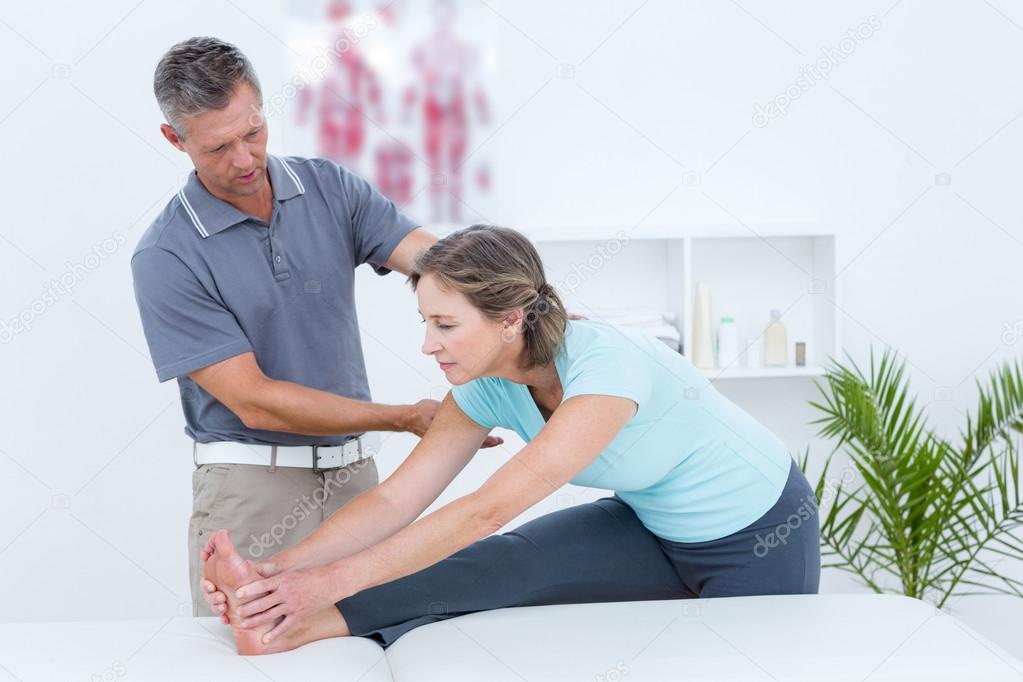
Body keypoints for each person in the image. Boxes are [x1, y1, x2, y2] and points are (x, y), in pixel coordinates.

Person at [200, 225, 822, 655]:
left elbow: (487, 509)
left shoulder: (605, 368)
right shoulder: (484, 383)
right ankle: (286, 626)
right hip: (653, 527)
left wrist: (330, 577)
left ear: (509, 319)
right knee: (502, 562)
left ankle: (305, 607)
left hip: (759, 535)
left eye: (445, 325)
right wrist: (277, 572)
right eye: (426, 323)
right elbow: (396, 502)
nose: (428, 344)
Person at [130, 36, 502, 617]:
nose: (245, 160)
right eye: (218, 147)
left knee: (383, 636)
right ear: (174, 140)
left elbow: (428, 259)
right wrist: (404, 418)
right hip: (252, 495)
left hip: (358, 481)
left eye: (252, 132)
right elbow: (257, 403)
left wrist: (510, 295)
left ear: (262, 110)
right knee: (260, 652)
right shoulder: (167, 256)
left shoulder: (328, 187)